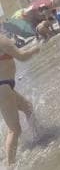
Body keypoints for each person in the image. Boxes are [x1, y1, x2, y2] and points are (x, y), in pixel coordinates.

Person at [0, 32, 40, 166]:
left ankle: (38, 137)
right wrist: (36, 49)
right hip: (3, 87)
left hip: (4, 87)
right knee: (15, 130)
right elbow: (22, 57)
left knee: (27, 107)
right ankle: (9, 166)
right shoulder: (1, 39)